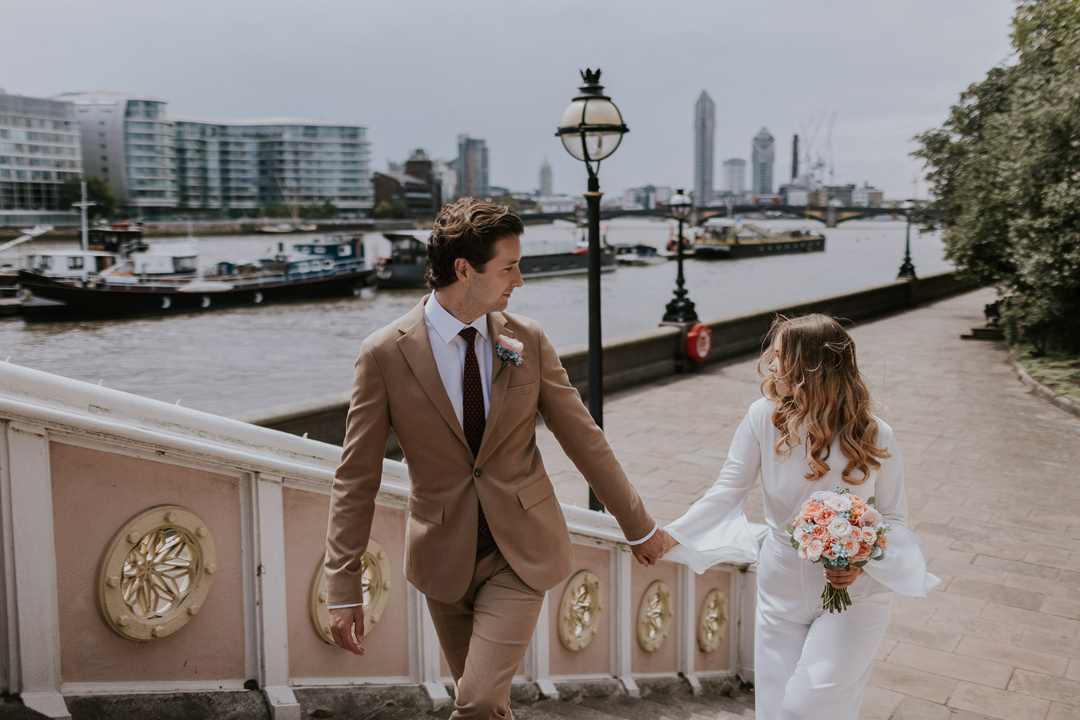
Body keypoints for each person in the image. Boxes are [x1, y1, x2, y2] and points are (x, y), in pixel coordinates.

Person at [324, 198, 671, 720]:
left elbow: (582, 436)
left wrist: (638, 524)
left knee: (479, 700)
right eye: (510, 267)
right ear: (464, 270)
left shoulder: (526, 338)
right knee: (484, 703)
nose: (520, 280)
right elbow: (356, 476)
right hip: (444, 556)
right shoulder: (384, 354)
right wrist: (342, 584)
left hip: (522, 549)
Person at [662, 314, 938, 720]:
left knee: (805, 709)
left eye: (779, 357)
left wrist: (861, 560)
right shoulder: (762, 417)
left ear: (810, 367)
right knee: (774, 711)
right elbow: (726, 492)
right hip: (780, 583)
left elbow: (893, 516)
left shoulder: (877, 434)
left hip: (855, 594)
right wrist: (669, 537)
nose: (770, 366)